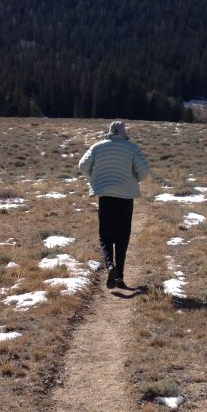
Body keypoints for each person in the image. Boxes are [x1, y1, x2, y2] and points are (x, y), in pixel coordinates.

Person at [78, 120, 150, 289]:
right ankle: (120, 277)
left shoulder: (97, 147)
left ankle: (110, 266)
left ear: (110, 131)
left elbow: (82, 166)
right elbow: (144, 172)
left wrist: (94, 179)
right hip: (125, 198)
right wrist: (133, 179)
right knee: (122, 237)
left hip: (105, 197)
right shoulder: (132, 148)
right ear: (124, 132)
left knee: (105, 236)